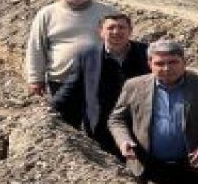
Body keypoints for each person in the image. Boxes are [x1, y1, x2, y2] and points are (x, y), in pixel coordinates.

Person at [107, 39, 198, 184]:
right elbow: (117, 119)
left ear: (184, 62)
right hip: (147, 167)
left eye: (173, 62)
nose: (166, 68)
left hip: (192, 168)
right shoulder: (134, 86)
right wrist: (124, 141)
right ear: (150, 64)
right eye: (159, 63)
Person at [51, 13, 149, 154]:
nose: (116, 32)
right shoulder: (87, 56)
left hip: (139, 124)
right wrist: (50, 109)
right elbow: (71, 88)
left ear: (130, 31)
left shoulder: (146, 53)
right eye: (111, 28)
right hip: (100, 127)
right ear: (101, 32)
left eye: (121, 27)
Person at [23, 0, 118, 116]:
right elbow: (37, 47)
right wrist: (36, 79)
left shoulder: (108, 12)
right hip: (60, 81)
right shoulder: (47, 14)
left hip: (99, 80)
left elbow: (121, 43)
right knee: (67, 124)